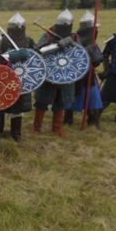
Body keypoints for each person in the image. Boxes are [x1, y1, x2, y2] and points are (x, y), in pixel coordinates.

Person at [34, 9, 77, 138]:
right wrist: (56, 46)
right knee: (42, 101)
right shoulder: (48, 35)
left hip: (65, 75)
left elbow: (80, 54)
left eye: (66, 26)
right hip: (49, 73)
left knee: (61, 102)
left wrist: (71, 44)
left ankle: (57, 127)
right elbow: (39, 50)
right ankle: (37, 127)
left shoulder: (74, 37)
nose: (63, 29)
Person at [0, 12, 37, 142]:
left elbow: (37, 57)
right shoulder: (3, 40)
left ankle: (16, 133)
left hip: (23, 78)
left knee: (19, 106)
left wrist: (28, 54)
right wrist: (13, 55)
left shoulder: (28, 41)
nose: (18, 31)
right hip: (5, 78)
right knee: (2, 105)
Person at [64, 10, 104, 127]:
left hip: (89, 76)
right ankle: (68, 119)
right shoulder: (74, 39)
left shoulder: (92, 42)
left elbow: (97, 61)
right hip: (75, 75)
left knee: (93, 98)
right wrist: (85, 52)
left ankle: (92, 120)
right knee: (72, 97)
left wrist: (94, 54)